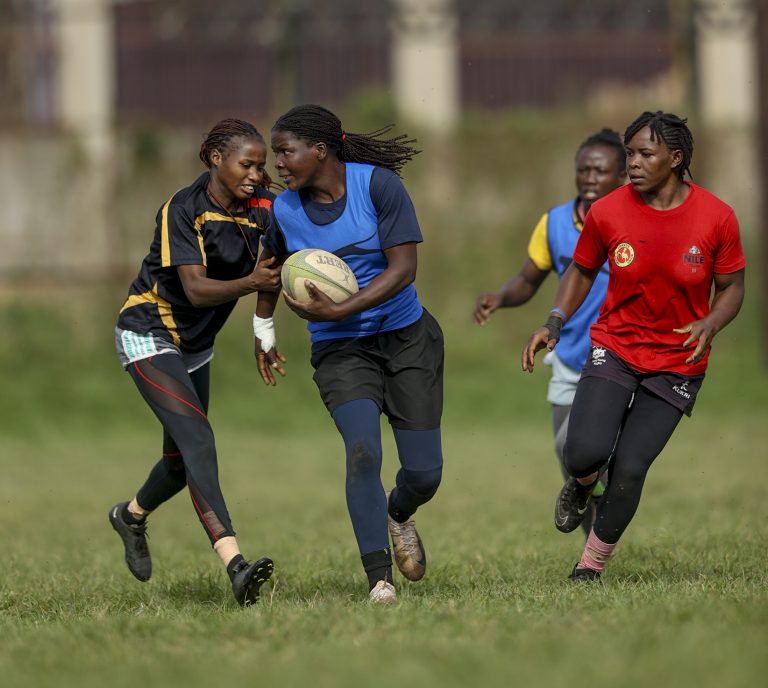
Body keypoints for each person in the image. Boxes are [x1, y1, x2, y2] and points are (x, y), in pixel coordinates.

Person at [522, 111, 745, 581]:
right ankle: (581, 485)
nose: (633, 164)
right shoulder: (608, 211)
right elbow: (581, 270)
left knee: (630, 467)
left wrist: (712, 321)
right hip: (616, 347)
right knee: (583, 452)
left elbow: (732, 287)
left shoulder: (717, 217)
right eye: (630, 154)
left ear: (676, 158)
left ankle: (590, 565)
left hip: (678, 362)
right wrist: (555, 320)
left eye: (645, 154)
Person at [252, 104, 444, 604]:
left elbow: (404, 267)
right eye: (275, 155)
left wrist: (344, 307)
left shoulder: (378, 187)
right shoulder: (286, 210)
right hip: (340, 352)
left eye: (285, 152)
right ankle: (379, 579)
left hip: (406, 338)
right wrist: (263, 328)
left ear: (320, 150)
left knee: (424, 474)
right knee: (363, 451)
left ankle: (398, 511)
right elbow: (270, 270)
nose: (279, 164)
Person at [109, 118, 283, 606]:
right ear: (214, 159)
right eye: (246, 164)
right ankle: (236, 565)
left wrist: (263, 330)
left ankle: (131, 516)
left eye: (261, 165)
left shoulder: (264, 209)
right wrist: (251, 283)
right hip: (147, 333)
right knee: (199, 438)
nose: (255, 173)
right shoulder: (182, 209)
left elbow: (271, 273)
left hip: (195, 346)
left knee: (179, 462)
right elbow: (196, 289)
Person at [473, 128, 626, 536]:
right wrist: (500, 298)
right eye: (583, 169)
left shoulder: (632, 222)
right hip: (571, 354)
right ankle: (591, 525)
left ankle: (598, 545)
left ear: (623, 176)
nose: (590, 177)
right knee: (567, 451)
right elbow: (529, 278)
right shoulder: (555, 222)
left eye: (601, 170)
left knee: (606, 451)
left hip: (621, 355)